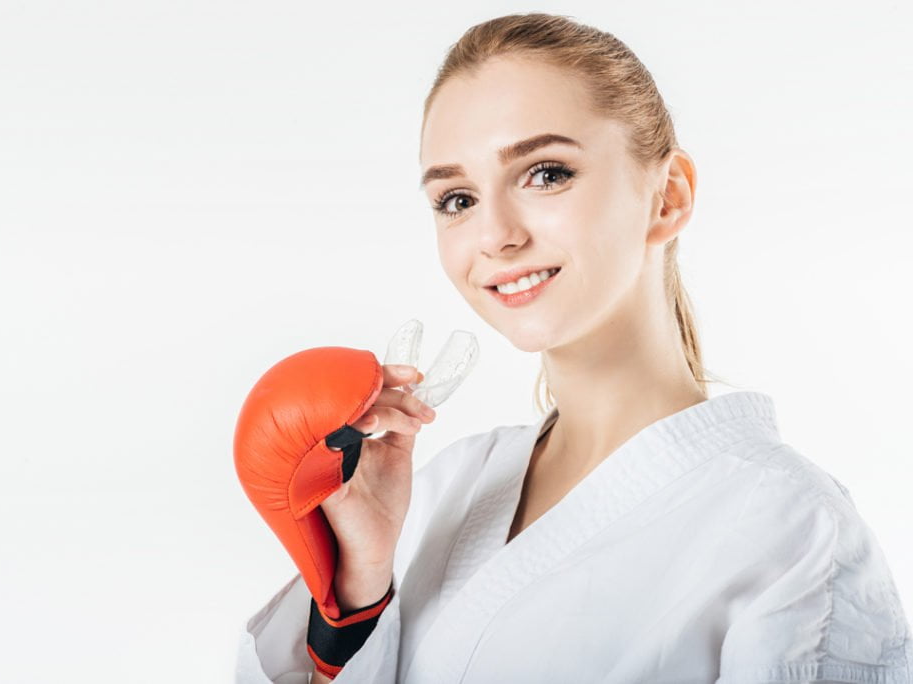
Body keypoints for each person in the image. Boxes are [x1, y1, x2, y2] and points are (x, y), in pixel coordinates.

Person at [235, 12, 912, 684]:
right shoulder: (450, 487)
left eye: (547, 173)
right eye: (457, 198)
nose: (495, 235)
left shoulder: (792, 533)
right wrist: (356, 591)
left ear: (667, 197)